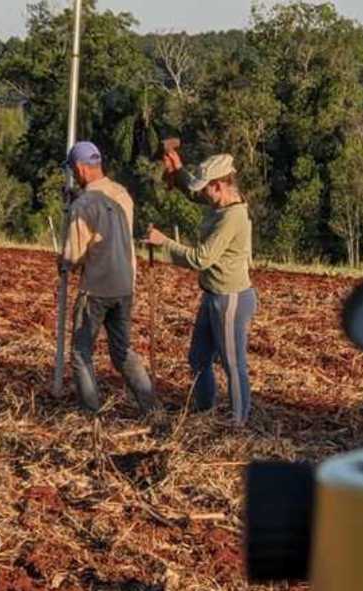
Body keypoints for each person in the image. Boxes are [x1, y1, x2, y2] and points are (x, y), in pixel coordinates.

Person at [146, 150, 257, 425]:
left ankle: (238, 421)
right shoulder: (220, 204)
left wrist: (164, 243)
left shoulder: (233, 217)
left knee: (233, 363)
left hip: (230, 297)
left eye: (207, 188)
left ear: (218, 186)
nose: (202, 195)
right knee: (198, 358)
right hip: (212, 295)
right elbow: (194, 193)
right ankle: (205, 410)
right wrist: (180, 169)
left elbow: (201, 258)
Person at [60, 141, 156, 416]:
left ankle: (91, 414)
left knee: (80, 352)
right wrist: (76, 197)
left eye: (74, 171)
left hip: (96, 288)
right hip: (125, 284)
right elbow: (107, 217)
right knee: (122, 350)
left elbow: (74, 253)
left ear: (80, 168)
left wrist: (64, 263)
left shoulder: (84, 205)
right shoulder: (122, 195)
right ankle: (150, 405)